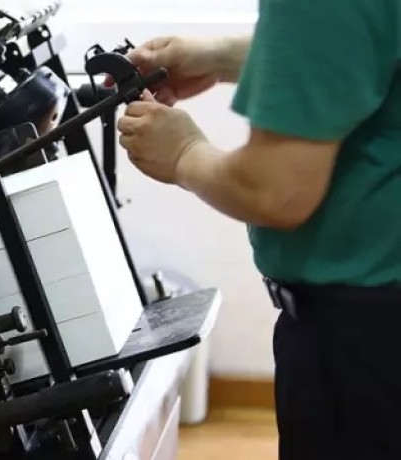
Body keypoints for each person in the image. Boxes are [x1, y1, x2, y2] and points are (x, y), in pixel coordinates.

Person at [115, 2, 401, 460]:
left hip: (367, 337)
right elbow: (353, 43)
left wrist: (183, 153)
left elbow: (276, 192)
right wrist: (217, 56)